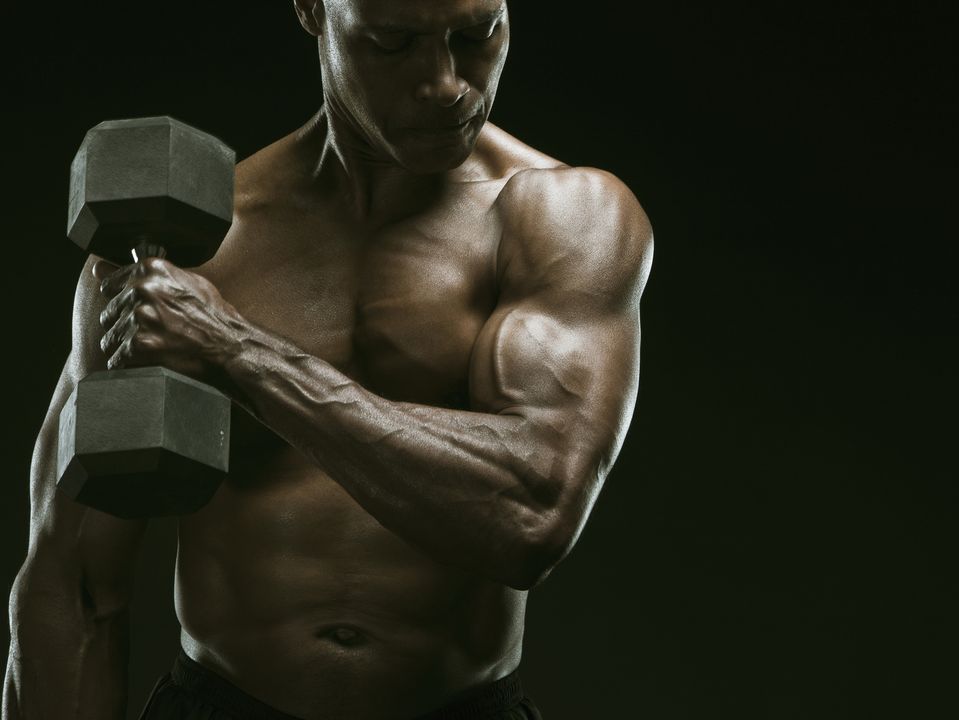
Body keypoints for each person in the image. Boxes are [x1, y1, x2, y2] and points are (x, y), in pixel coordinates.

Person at [3, 0, 652, 717]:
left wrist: (235, 350)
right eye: (394, 42)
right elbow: (74, 586)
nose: (445, 84)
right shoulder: (190, 249)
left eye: (476, 36)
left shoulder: (562, 219)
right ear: (314, 9)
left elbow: (532, 512)